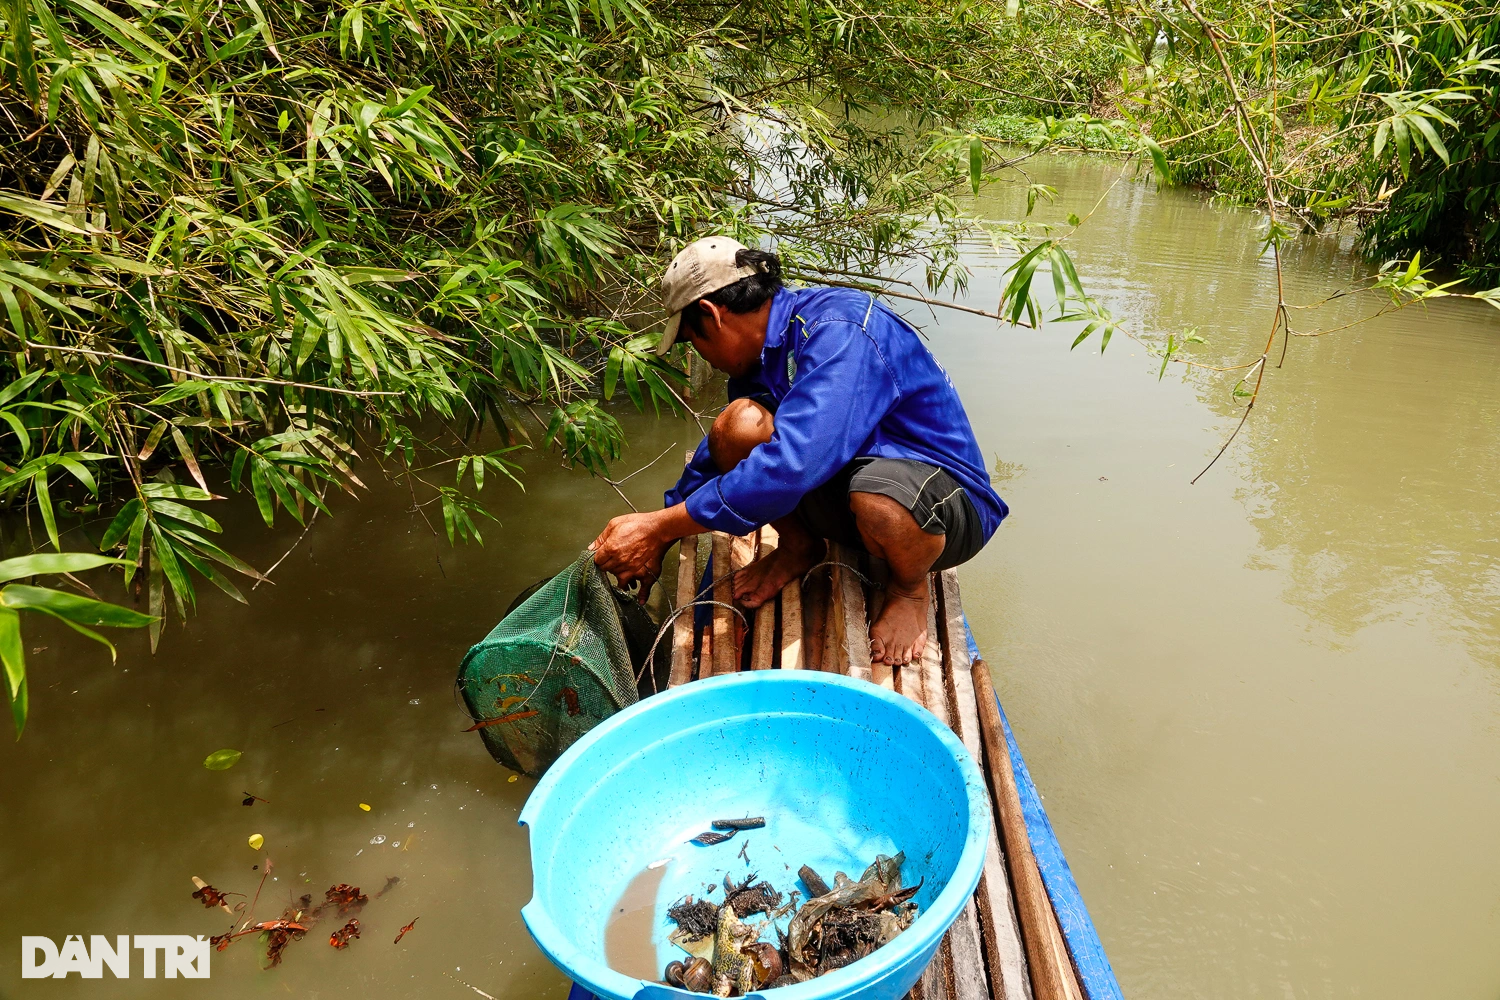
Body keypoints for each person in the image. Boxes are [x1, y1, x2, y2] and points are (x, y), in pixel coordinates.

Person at [589, 236, 1007, 666]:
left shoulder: (840, 331)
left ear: (712, 316)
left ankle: (907, 590)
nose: (703, 357)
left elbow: (793, 463)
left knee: (879, 498)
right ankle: (799, 546)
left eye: (694, 341)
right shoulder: (766, 354)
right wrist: (665, 528)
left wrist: (659, 527)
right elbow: (717, 454)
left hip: (941, 504)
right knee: (738, 425)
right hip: (857, 487)